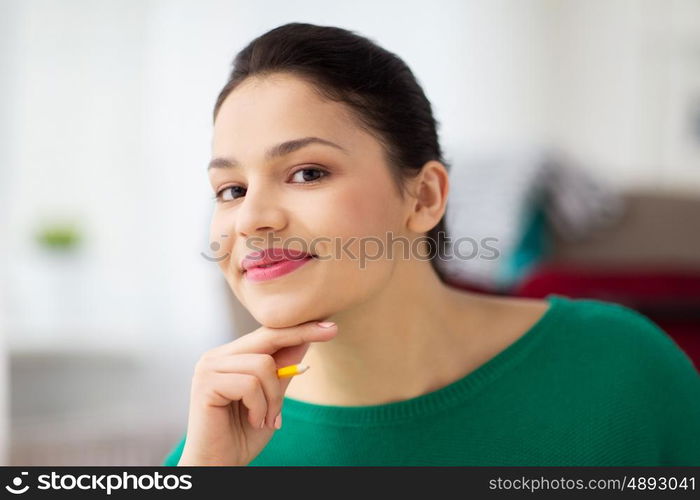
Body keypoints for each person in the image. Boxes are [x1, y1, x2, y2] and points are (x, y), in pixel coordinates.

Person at [163, 22, 700, 466]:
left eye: (307, 173)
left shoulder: (622, 369)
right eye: (230, 189)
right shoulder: (213, 451)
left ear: (423, 197)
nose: (252, 219)